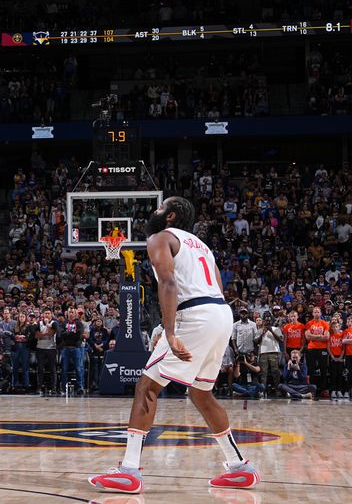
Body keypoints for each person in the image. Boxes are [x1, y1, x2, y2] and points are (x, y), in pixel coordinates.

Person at [90, 197, 260, 494]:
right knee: (201, 393)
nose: (152, 213)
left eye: (159, 208)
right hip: (220, 313)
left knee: (147, 386)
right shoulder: (201, 246)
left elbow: (168, 283)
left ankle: (129, 471)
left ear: (169, 216)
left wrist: (169, 332)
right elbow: (216, 289)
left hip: (196, 315)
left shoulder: (160, 237)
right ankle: (239, 466)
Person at [304, 306, 330, 397]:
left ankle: (323, 389)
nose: (316, 313)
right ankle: (312, 390)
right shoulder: (309, 323)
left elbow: (327, 337)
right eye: (315, 312)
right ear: (312, 314)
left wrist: (314, 337)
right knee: (311, 369)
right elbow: (307, 337)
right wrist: (320, 337)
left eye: (318, 312)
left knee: (323, 369)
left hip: (322, 349)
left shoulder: (325, 323)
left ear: (321, 313)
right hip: (311, 349)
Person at [255, 316, 282, 395]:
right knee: (263, 373)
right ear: (264, 321)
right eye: (266, 321)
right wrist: (262, 334)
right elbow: (256, 341)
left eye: (269, 321)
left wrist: (271, 331)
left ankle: (277, 390)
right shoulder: (260, 330)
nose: (268, 322)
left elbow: (280, 340)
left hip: (274, 352)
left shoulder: (276, 329)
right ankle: (263, 390)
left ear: (272, 321)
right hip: (263, 353)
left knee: (275, 372)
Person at [35, 309, 58, 395]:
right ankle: (39, 387)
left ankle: (54, 388)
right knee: (40, 369)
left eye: (49, 313)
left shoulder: (54, 324)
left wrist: (47, 328)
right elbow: (37, 336)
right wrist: (45, 333)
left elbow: (51, 333)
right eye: (46, 313)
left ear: (51, 315)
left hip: (51, 348)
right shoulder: (39, 324)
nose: (47, 315)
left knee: (53, 369)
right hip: (40, 348)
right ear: (43, 315)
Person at [328, 318, 345, 398]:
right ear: (331, 328)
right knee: (333, 374)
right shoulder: (330, 336)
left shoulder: (342, 335)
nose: (335, 328)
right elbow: (328, 347)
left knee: (339, 374)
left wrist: (341, 357)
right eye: (334, 327)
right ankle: (333, 391)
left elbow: (344, 348)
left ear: (339, 327)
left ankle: (339, 391)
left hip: (340, 357)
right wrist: (332, 356)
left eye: (337, 326)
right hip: (332, 357)